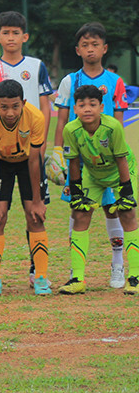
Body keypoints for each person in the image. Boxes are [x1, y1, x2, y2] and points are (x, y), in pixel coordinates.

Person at [53, 22, 129, 289]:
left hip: (109, 158)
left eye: (95, 44)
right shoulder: (69, 81)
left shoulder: (116, 82)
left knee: (113, 210)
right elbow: (62, 120)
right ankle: (77, 273)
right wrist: (57, 153)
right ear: (77, 50)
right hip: (80, 157)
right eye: (85, 44)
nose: (90, 48)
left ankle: (118, 266)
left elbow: (120, 122)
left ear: (104, 48)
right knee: (79, 210)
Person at [62, 85, 139, 295]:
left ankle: (135, 277)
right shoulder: (70, 129)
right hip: (93, 175)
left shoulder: (113, 127)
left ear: (102, 107)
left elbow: (121, 159)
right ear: (75, 108)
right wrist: (76, 192)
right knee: (80, 213)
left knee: (127, 212)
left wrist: (126, 192)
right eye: (82, 105)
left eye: (92, 104)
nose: (87, 109)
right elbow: (74, 161)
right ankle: (77, 278)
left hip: (120, 172)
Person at [0, 79, 50, 296]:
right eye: (4, 107)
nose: (10, 112)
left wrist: (37, 201)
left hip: (29, 163)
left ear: (24, 102)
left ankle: (40, 278)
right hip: (0, 164)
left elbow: (35, 160)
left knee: (35, 216)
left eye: (15, 106)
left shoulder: (36, 117)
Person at [0, 11, 53, 152]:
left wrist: (42, 141)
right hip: (1, 141)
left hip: (31, 137)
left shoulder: (37, 66)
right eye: (6, 33)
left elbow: (45, 108)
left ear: (25, 37)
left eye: (15, 33)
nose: (11, 38)